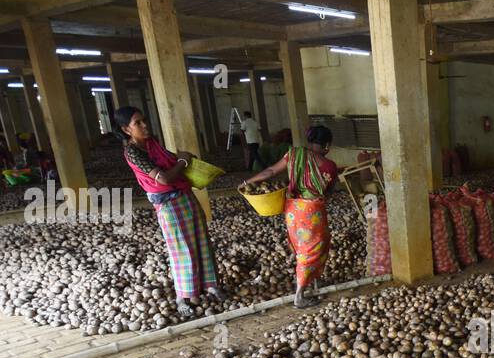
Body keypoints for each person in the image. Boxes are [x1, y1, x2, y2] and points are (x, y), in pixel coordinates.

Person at [114, 105, 223, 318]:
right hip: (168, 203)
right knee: (182, 248)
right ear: (127, 129)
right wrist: (182, 160)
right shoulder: (133, 152)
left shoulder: (152, 144)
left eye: (144, 120)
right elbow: (163, 178)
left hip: (184, 195)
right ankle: (185, 295)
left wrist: (180, 159)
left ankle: (209, 285)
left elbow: (171, 162)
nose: (145, 125)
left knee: (201, 241)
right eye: (138, 123)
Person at [241, 124, 338, 309]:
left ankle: (314, 281)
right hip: (313, 211)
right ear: (327, 144)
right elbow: (328, 191)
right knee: (315, 248)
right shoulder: (329, 166)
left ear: (309, 141)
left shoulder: (294, 155)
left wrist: (247, 182)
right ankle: (300, 295)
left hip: (293, 209)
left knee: (304, 247)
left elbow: (270, 171)